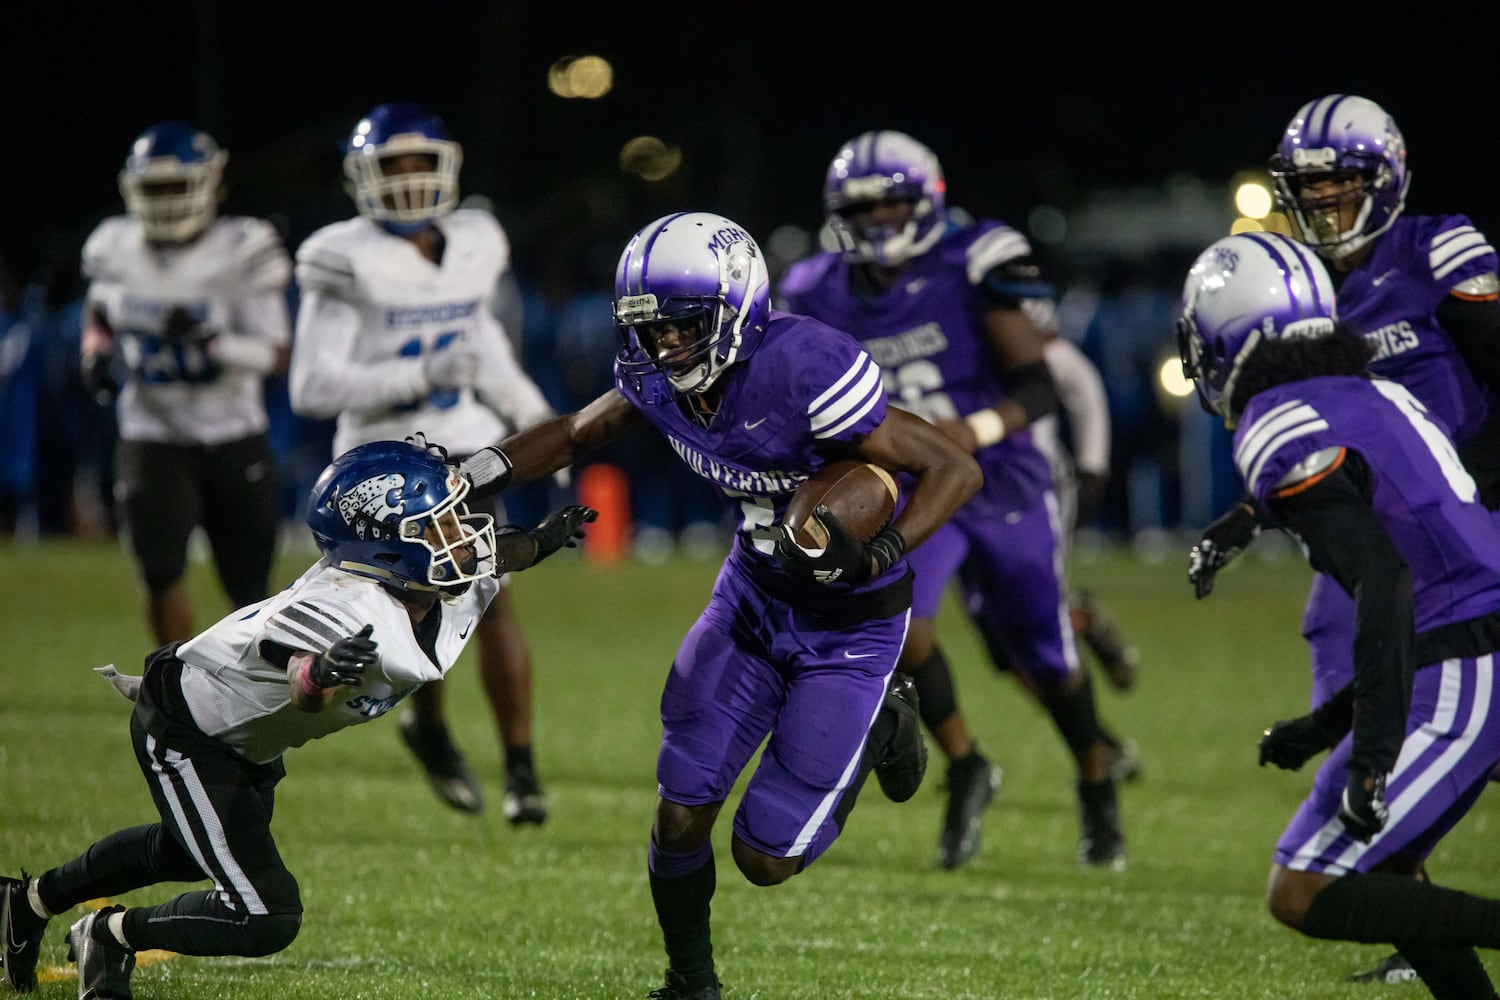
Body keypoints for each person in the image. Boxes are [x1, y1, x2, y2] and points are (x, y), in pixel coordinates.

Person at [451, 210, 981, 999]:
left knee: (766, 857)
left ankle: (880, 728)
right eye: (651, 328)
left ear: (737, 307)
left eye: (681, 326)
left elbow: (954, 468)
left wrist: (882, 549)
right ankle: (691, 983)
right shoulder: (657, 381)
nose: (664, 345)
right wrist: (475, 473)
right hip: (753, 598)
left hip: (849, 626)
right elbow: (572, 434)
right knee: (680, 807)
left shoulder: (805, 368)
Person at [0, 440, 594, 1000]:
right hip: (188, 730)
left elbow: (495, 554)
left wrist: (541, 542)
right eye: (439, 527)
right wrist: (321, 674)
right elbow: (291, 669)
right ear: (387, 545)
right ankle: (108, 936)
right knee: (265, 912)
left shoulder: (425, 583)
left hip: (245, 740)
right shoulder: (345, 607)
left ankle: (25, 905)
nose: (463, 538)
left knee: (187, 851)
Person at [1186, 94, 1500, 984]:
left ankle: (1388, 854)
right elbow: (1342, 458)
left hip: (1462, 535)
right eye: (1309, 190)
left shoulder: (1436, 250)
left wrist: (1469, 496)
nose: (1325, 205)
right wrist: (1253, 514)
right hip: (1426, 535)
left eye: (1343, 185)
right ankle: (1403, 896)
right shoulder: (1315, 297)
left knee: (1415, 711)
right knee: (1356, 651)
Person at [777, 130, 1136, 872]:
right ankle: (968, 763)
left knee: (1047, 657)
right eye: (862, 209)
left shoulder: (971, 265)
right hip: (909, 484)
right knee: (903, 626)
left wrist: (966, 432)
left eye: (891, 205)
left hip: (997, 478)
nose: (877, 221)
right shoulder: (815, 289)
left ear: (926, 201)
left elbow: (1038, 386)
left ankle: (1096, 779)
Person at [288, 102, 558, 822]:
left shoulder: (473, 241)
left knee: (491, 597)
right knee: (414, 613)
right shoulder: (343, 255)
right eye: (392, 167)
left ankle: (521, 769)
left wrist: (539, 423)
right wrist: (420, 375)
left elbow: (483, 347)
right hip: (378, 464)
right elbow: (311, 386)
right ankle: (430, 727)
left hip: (463, 449)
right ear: (362, 178)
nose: (407, 181)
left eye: (419, 164)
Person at [78, 122, 291, 645]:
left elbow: (278, 356)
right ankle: (173, 681)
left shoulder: (245, 246)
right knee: (159, 571)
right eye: (155, 188)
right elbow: (100, 310)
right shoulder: (115, 246)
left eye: (177, 187)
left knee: (250, 587)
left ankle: (243, 693)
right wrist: (96, 351)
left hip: (232, 429)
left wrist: (212, 341)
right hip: (152, 431)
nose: (167, 201)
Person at [1029, 297, 1142, 705]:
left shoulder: (1020, 325)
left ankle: (1099, 745)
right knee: (1005, 623)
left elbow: (1084, 386)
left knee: (1034, 610)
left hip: (1036, 484)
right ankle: (1083, 618)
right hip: (976, 492)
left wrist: (1092, 462)